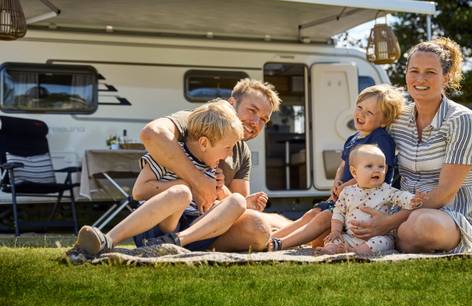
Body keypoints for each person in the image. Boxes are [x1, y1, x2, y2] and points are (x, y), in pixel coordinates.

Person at [349, 37, 472, 253]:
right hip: (399, 210)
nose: (420, 79)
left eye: (430, 72)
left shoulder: (462, 120)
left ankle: (392, 238)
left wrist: (389, 222)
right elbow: (365, 141)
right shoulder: (398, 119)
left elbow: (444, 193)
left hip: (450, 217)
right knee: (344, 216)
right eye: (414, 71)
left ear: (447, 77)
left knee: (421, 224)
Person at [73, 99, 248, 255]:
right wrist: (188, 184)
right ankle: (108, 240)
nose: (229, 154)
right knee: (181, 193)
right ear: (204, 143)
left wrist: (220, 189)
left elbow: (219, 203)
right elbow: (138, 192)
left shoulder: (212, 167)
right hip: (155, 228)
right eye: (227, 147)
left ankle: (175, 242)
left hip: (190, 233)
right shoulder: (168, 156)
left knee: (238, 201)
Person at [139, 78, 285, 251]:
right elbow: (151, 133)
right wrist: (198, 182)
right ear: (232, 103)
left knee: (258, 227)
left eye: (263, 119)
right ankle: (173, 240)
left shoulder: (242, 152)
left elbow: (236, 210)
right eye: (252, 110)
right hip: (165, 217)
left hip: (202, 225)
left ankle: (179, 242)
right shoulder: (199, 121)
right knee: (263, 226)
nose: (255, 122)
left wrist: (244, 202)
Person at [269, 84, 405, 251]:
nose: (360, 114)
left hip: (363, 199)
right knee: (311, 215)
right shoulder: (353, 139)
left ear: (384, 121)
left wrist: (346, 187)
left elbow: (374, 171)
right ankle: (270, 239)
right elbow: (344, 165)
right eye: (359, 107)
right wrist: (337, 181)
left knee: (322, 219)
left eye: (369, 112)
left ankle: (280, 244)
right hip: (345, 196)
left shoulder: (381, 139)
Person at [319, 144, 423, 255]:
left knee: (382, 242)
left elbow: (401, 196)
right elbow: (338, 212)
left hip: (377, 236)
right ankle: (332, 249)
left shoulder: (386, 190)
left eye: (381, 167)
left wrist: (413, 199)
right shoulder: (347, 192)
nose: (376, 170)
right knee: (334, 239)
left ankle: (355, 252)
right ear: (354, 172)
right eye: (369, 166)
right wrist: (336, 231)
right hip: (351, 237)